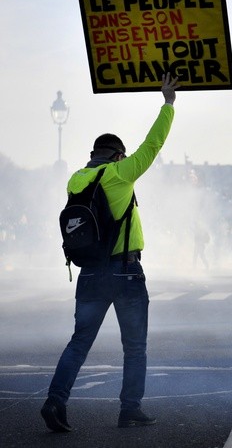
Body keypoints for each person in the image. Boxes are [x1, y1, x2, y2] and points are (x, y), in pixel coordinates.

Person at [41, 75, 178, 433]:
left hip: (89, 273)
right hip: (125, 272)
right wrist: (168, 104)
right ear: (118, 155)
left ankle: (56, 401)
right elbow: (152, 146)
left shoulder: (77, 179)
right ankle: (129, 409)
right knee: (134, 347)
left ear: (92, 155)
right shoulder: (119, 174)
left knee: (80, 342)